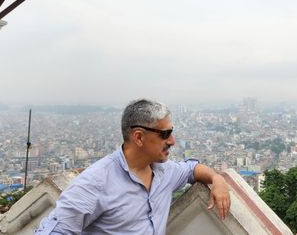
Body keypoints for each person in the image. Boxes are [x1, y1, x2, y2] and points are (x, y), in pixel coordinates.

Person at [36, 99, 230, 234]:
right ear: (139, 137)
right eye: (165, 134)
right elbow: (56, 230)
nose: (172, 141)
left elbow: (191, 169)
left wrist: (217, 179)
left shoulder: (164, 172)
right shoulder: (95, 182)